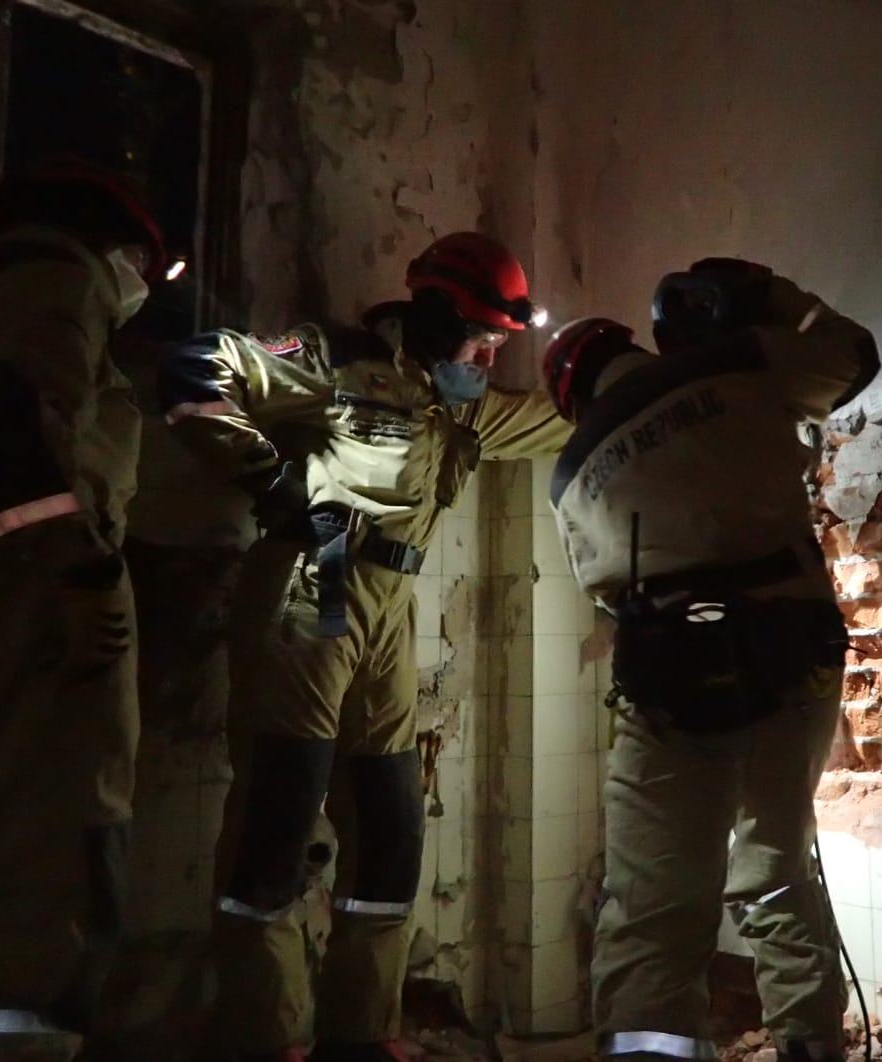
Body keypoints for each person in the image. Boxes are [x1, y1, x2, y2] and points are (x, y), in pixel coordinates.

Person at [156, 232, 571, 1062]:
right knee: (280, 817)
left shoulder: (462, 405)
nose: (489, 358)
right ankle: (263, 1034)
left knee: (390, 825)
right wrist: (271, 481)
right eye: (481, 339)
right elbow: (199, 368)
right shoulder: (332, 359)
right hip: (317, 585)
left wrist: (637, 385)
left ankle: (362, 1031)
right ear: (437, 314)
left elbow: (563, 419)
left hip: (392, 608)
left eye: (498, 344)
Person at [541, 258, 880, 1062]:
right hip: (793, 661)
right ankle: (811, 1048)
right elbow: (853, 356)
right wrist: (772, 299)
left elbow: (606, 596)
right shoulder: (736, 365)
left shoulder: (570, 473)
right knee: (779, 867)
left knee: (653, 911)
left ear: (571, 396)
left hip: (676, 689)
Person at [0, 156, 165, 1059]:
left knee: (11, 848)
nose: (142, 285)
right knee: (55, 855)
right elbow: (6, 435)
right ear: (116, 248)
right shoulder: (58, 282)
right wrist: (77, 572)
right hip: (38, 604)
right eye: (144, 266)